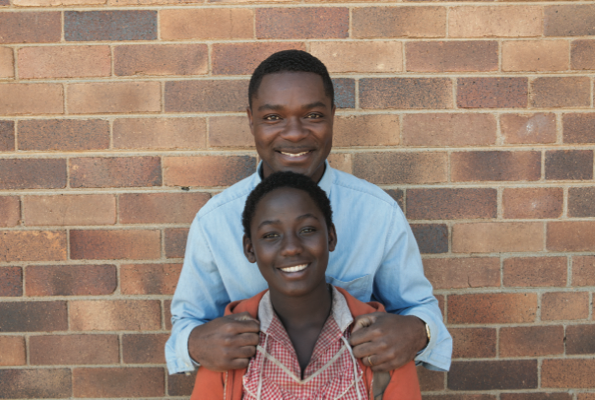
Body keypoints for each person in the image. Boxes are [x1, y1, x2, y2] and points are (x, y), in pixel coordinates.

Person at [166, 50, 452, 376]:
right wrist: (193, 343)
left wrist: (418, 332)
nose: (294, 133)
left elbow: (418, 308)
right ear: (251, 119)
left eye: (313, 115)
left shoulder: (377, 213)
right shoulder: (215, 221)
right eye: (273, 118)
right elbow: (188, 322)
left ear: (333, 114)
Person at [191, 171, 421, 400]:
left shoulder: (383, 340)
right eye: (271, 235)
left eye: (307, 230)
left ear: (331, 237)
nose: (291, 247)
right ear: (250, 249)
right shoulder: (227, 344)